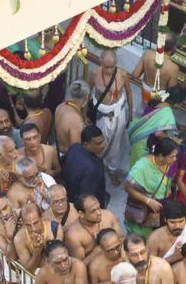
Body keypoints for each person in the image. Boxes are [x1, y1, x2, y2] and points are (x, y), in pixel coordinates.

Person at [89, 49, 131, 185]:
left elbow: (129, 94)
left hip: (117, 114)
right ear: (101, 63)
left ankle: (112, 170)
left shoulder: (123, 75)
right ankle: (96, 165)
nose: (109, 70)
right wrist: (84, 114)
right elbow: (87, 92)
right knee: (97, 142)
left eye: (112, 66)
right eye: (106, 67)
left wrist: (130, 113)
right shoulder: (94, 74)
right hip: (100, 115)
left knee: (115, 145)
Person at [124, 134, 178, 240]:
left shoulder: (169, 163)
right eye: (172, 156)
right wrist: (148, 201)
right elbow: (127, 187)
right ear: (161, 156)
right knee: (140, 239)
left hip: (161, 207)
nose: (175, 159)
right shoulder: (142, 167)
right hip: (144, 210)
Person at [126, 88, 179, 167]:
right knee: (138, 171)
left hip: (137, 139)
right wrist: (172, 140)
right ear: (177, 103)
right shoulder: (167, 112)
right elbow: (158, 133)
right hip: (144, 145)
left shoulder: (156, 103)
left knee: (134, 166)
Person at [64, 194, 120, 264]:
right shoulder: (73, 236)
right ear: (81, 214)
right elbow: (79, 266)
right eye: (93, 211)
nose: (99, 213)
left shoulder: (108, 216)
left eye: (99, 208)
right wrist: (95, 253)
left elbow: (122, 239)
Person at [62, 125, 108, 208]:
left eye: (103, 141)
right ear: (86, 144)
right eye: (98, 143)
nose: (103, 145)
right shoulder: (92, 169)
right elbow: (87, 200)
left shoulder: (74, 147)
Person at [130, 31, 182, 101]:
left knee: (145, 109)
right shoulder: (173, 68)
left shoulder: (147, 54)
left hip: (145, 92)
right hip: (158, 99)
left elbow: (135, 75)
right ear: (173, 48)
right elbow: (172, 91)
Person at [13, 201, 57, 271]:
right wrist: (37, 252)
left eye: (36, 223)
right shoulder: (19, 238)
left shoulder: (55, 228)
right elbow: (29, 269)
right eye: (28, 225)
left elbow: (59, 257)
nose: (33, 229)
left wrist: (46, 245)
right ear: (23, 223)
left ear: (42, 217)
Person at [54, 80, 89, 157]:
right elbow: (76, 150)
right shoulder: (75, 119)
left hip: (58, 150)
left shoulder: (61, 106)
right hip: (67, 156)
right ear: (86, 97)